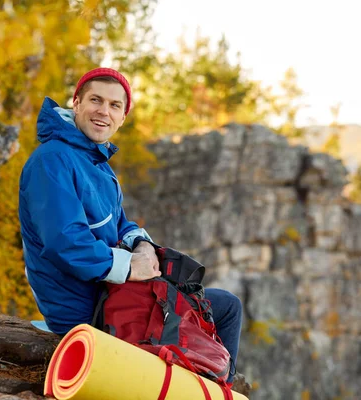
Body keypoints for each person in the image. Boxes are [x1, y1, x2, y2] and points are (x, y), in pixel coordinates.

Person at [18, 67, 243, 381]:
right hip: (86, 310)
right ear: (77, 103)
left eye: (114, 106)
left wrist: (141, 244)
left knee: (214, 307)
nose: (103, 112)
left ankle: (208, 386)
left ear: (122, 117)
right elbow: (65, 242)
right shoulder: (53, 159)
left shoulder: (95, 161)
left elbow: (119, 222)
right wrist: (128, 266)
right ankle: (218, 388)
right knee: (225, 309)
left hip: (110, 293)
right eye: (96, 100)